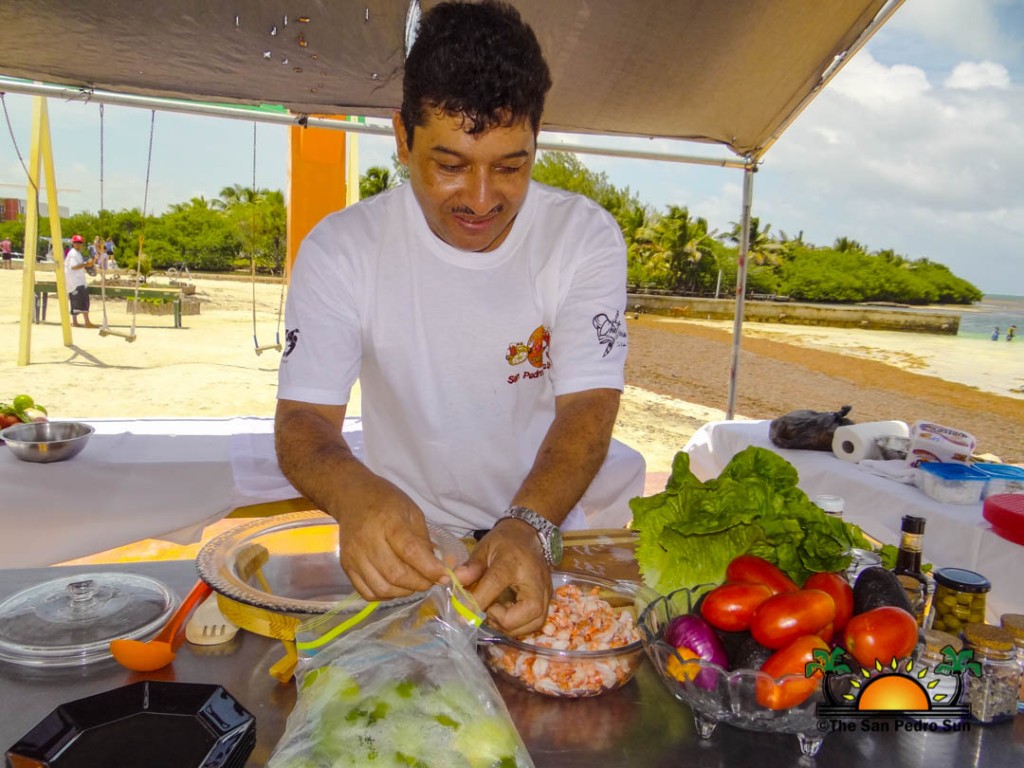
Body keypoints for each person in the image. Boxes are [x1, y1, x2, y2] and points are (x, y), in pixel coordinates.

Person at [275, 0, 640, 636]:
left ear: (536, 140)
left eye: (510, 166)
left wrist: (529, 524)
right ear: (402, 137)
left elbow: (589, 406)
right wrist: (355, 496)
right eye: (450, 165)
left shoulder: (582, 238)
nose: (480, 198)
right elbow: (303, 421)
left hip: (549, 527)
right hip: (412, 547)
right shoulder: (342, 248)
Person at [64, 234, 97, 327]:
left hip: (74, 281)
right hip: (76, 281)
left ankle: (75, 322)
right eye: (76, 242)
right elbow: (74, 267)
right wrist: (86, 264)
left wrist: (87, 264)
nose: (78, 244)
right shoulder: (73, 253)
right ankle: (87, 322)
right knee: (83, 300)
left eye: (80, 243)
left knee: (75, 301)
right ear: (73, 243)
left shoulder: (76, 253)